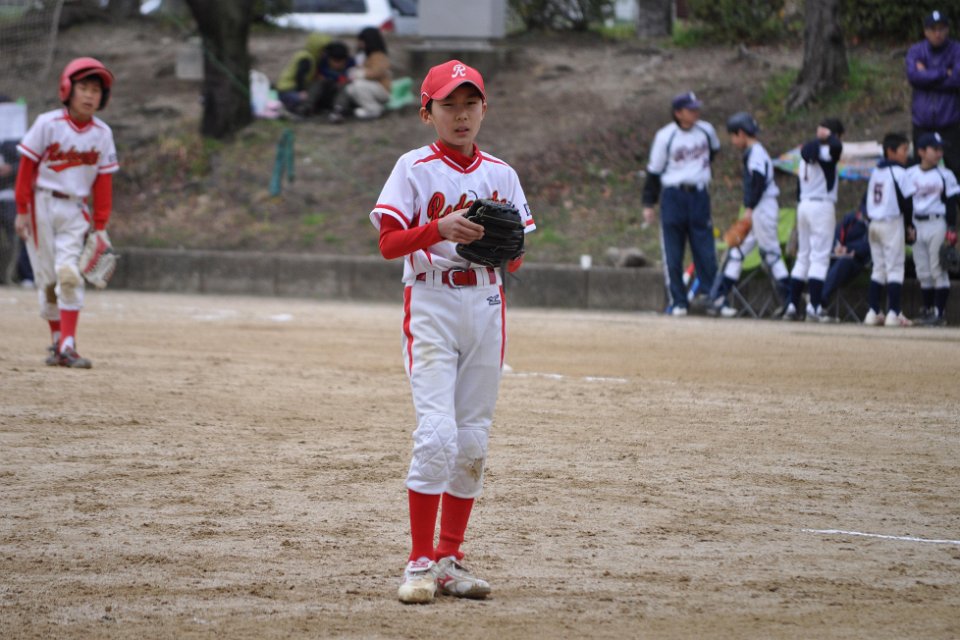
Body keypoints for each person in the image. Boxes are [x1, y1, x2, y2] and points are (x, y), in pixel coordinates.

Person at [368, 59, 535, 604]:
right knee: (437, 434)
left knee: (472, 439)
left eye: (470, 104)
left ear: (485, 108)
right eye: (449, 105)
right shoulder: (413, 168)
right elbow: (388, 243)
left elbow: (515, 258)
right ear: (428, 113)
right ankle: (418, 561)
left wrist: (506, 248)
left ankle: (448, 559)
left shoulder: (502, 174)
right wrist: (437, 228)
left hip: (486, 302)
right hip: (431, 300)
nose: (461, 115)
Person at [14, 57, 119, 368]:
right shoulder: (48, 124)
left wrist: (100, 225)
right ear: (67, 90)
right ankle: (58, 339)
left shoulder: (102, 133)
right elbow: (26, 169)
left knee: (69, 274)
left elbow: (103, 182)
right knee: (48, 280)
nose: (89, 96)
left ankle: (68, 345)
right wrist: (21, 210)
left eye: (96, 91)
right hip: (41, 205)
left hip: (75, 209)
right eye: (83, 88)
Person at [642, 91, 721, 316]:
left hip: (699, 195)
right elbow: (654, 171)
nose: (696, 112)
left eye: (696, 108)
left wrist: (697, 172)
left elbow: (714, 151)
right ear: (678, 113)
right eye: (690, 109)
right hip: (674, 196)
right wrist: (649, 203)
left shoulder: (706, 130)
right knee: (673, 252)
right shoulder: (665, 136)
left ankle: (711, 297)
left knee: (705, 249)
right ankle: (678, 301)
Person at [710, 112, 788, 317]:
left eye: (733, 136)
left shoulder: (756, 153)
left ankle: (790, 302)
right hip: (759, 207)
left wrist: (750, 208)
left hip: (763, 208)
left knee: (771, 254)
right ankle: (718, 298)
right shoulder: (754, 152)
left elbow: (758, 181)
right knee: (737, 252)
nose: (733, 141)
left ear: (741, 133)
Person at [783, 118, 844, 322]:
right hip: (821, 205)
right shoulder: (826, 152)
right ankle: (814, 307)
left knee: (803, 256)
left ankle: (792, 305)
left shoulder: (805, 154)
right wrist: (829, 137)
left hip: (804, 205)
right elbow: (837, 148)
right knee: (819, 258)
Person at [902, 131, 959, 326]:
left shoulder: (945, 174)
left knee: (938, 268)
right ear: (921, 151)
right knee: (923, 270)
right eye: (935, 149)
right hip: (916, 224)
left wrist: (952, 227)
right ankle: (927, 310)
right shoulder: (909, 173)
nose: (939, 153)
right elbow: (905, 201)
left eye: (940, 149)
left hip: (937, 222)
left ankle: (939, 313)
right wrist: (907, 225)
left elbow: (952, 203)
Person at [861, 132, 913, 327]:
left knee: (878, 269)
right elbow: (907, 202)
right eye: (903, 150)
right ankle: (894, 313)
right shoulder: (899, 172)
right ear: (890, 151)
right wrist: (910, 225)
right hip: (891, 223)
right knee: (895, 268)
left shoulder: (876, 171)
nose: (906, 154)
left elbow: (864, 200)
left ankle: (873, 311)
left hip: (874, 223)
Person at [906, 11, 960, 175]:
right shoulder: (916, 51)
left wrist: (927, 75)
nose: (938, 34)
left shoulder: (956, 50)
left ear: (947, 30)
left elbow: (956, 79)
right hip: (922, 122)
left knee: (954, 167)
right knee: (920, 168)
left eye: (941, 29)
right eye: (933, 29)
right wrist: (944, 72)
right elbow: (914, 77)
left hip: (949, 120)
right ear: (926, 31)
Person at [330, 27, 392, 123]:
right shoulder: (366, 55)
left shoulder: (379, 55)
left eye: (361, 41)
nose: (359, 43)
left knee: (358, 85)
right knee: (350, 89)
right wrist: (355, 72)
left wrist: (360, 74)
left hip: (382, 90)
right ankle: (374, 107)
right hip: (373, 89)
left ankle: (373, 109)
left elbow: (377, 72)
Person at [820, 207, 871, 321]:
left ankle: (820, 299)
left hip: (858, 261)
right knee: (822, 260)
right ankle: (812, 299)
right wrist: (837, 247)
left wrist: (850, 249)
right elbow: (838, 235)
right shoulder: (851, 218)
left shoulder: (874, 224)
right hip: (839, 256)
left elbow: (869, 247)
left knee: (843, 262)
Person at [276, 32, 330, 116]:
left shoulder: (308, 56)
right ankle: (285, 108)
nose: (324, 53)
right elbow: (299, 76)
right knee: (303, 100)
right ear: (316, 48)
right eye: (322, 50)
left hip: (288, 88)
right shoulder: (306, 59)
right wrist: (301, 91)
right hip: (287, 90)